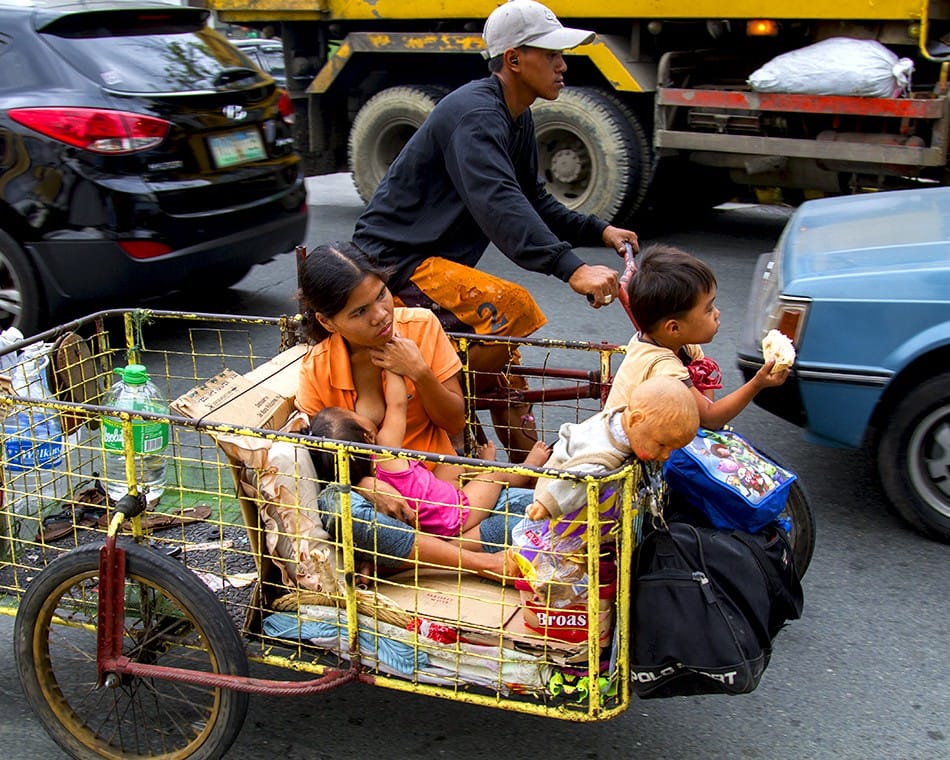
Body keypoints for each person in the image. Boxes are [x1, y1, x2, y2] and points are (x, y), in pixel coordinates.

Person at [352, 0, 639, 462]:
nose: (563, 65)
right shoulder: (476, 115)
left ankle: (533, 480)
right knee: (512, 306)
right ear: (514, 60)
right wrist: (571, 268)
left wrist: (599, 229)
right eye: (551, 55)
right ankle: (446, 411)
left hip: (431, 264)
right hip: (394, 263)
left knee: (504, 368)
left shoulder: (516, 114)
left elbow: (532, 199)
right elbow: (500, 205)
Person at [296, 240, 531, 580]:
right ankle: (476, 559)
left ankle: (408, 560)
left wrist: (419, 373)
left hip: (448, 495)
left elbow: (453, 422)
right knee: (339, 508)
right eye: (359, 312)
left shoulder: (420, 326)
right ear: (328, 322)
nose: (380, 315)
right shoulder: (316, 369)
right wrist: (367, 485)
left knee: (537, 508)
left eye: (380, 295)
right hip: (387, 512)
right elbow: (322, 463)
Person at [309, 368, 550, 549]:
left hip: (435, 521)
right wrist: (394, 368)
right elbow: (397, 405)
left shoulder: (360, 477)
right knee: (495, 474)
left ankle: (487, 464)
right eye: (352, 413)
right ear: (367, 436)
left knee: (456, 470)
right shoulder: (384, 453)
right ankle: (528, 468)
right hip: (457, 512)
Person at [604, 244, 790, 429]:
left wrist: (701, 406)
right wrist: (757, 383)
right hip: (628, 450)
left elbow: (703, 398)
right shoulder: (663, 367)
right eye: (708, 309)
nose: (717, 313)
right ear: (674, 328)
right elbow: (710, 418)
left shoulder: (680, 345)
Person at [526, 375, 699, 520]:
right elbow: (573, 483)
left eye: (672, 449)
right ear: (635, 420)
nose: (666, 455)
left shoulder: (621, 419)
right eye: (661, 445)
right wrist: (546, 506)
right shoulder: (601, 457)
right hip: (558, 505)